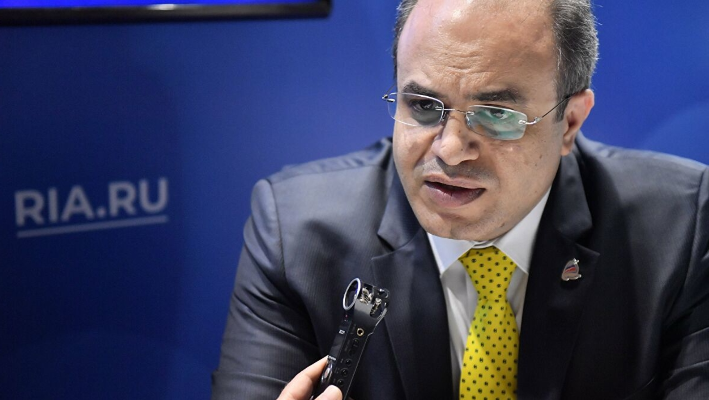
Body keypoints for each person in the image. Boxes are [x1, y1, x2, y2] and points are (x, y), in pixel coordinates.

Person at [212, 0, 709, 399]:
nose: (449, 150)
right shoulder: (296, 233)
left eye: (496, 114)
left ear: (570, 122)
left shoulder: (679, 228)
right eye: (424, 106)